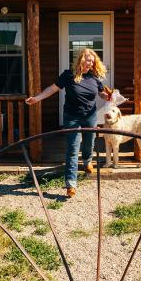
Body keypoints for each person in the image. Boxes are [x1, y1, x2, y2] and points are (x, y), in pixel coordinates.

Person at [25, 48, 109, 198]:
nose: (90, 63)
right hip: (72, 117)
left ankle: (87, 160)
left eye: (92, 61)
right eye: (88, 60)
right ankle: (71, 183)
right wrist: (36, 98)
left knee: (89, 141)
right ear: (81, 59)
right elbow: (52, 89)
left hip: (89, 115)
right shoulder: (68, 75)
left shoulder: (94, 77)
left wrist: (108, 96)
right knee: (72, 147)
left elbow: (101, 93)